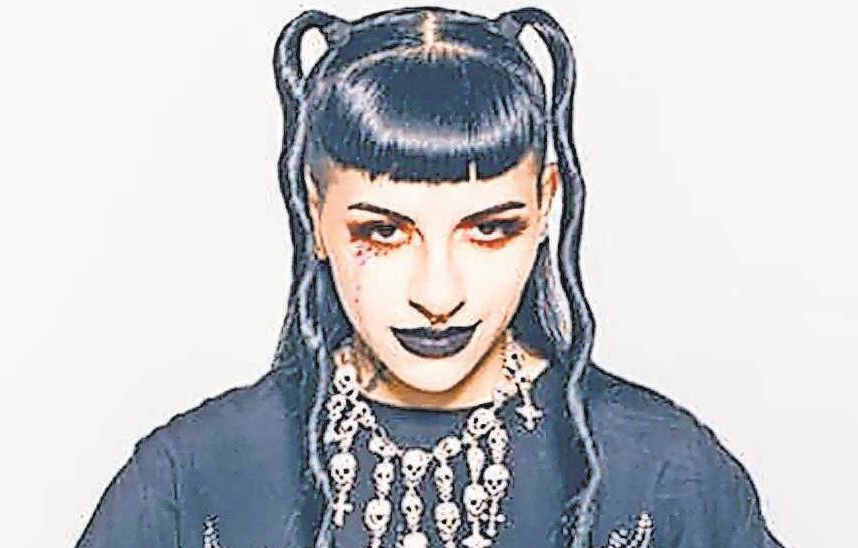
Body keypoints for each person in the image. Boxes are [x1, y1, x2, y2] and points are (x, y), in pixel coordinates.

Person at [75, 6, 784, 548]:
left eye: (490, 229)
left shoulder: (663, 471)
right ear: (316, 212)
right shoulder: (194, 474)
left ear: (546, 205)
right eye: (382, 232)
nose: (438, 294)